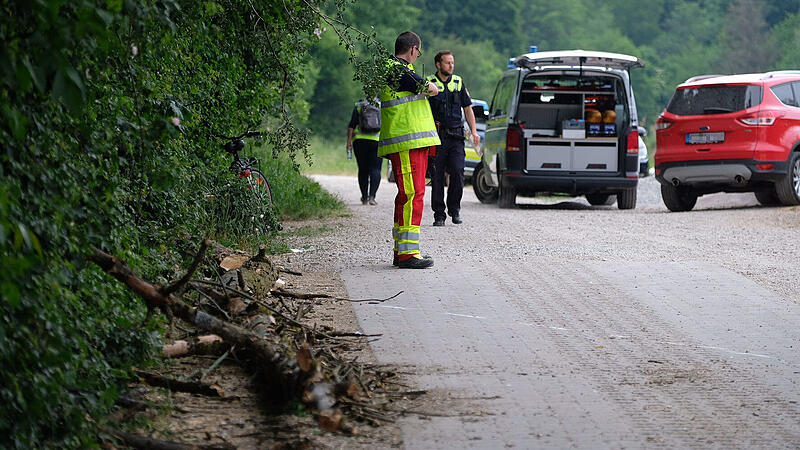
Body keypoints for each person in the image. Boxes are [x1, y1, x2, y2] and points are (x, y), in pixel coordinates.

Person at [379, 31, 440, 269]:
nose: (417, 56)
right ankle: (407, 254)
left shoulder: (398, 69)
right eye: (418, 52)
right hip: (406, 142)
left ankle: (402, 251)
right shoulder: (396, 68)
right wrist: (431, 86)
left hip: (411, 142)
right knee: (412, 195)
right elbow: (427, 88)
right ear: (414, 49)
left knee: (409, 195)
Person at [427, 50, 480, 226]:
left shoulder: (458, 82)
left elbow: (467, 108)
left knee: (458, 172)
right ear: (438, 64)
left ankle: (454, 208)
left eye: (452, 63)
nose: (451, 65)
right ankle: (439, 215)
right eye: (447, 62)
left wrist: (474, 131)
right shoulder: (429, 83)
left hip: (456, 136)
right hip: (436, 137)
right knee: (437, 176)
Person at [346, 100, 382, 205]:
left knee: (363, 169)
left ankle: (364, 197)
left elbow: (352, 125)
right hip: (377, 141)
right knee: (376, 169)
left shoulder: (359, 105)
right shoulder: (381, 105)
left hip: (360, 141)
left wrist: (348, 143)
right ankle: (372, 196)